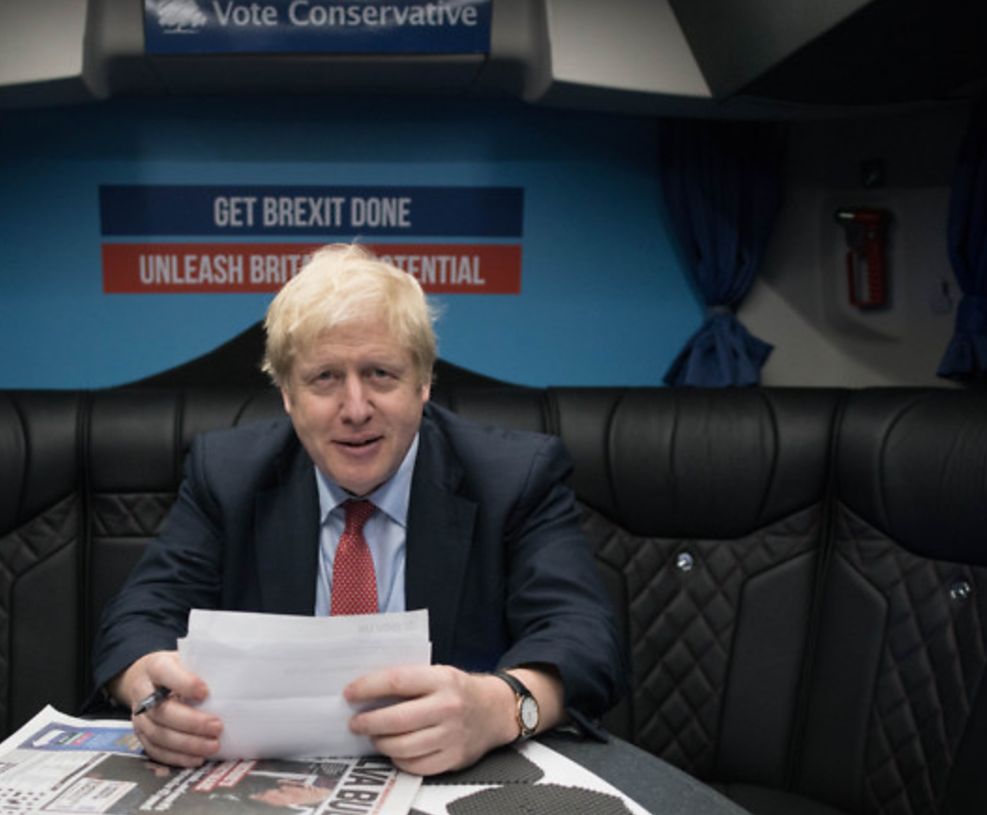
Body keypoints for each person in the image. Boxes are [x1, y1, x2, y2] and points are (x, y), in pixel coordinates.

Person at [92, 243, 623, 775]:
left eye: (380, 374)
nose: (355, 409)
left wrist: (502, 707)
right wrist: (147, 689)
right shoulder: (227, 474)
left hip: (458, 786)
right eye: (324, 377)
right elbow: (138, 618)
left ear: (423, 382)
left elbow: (581, 635)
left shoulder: (515, 476)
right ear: (286, 394)